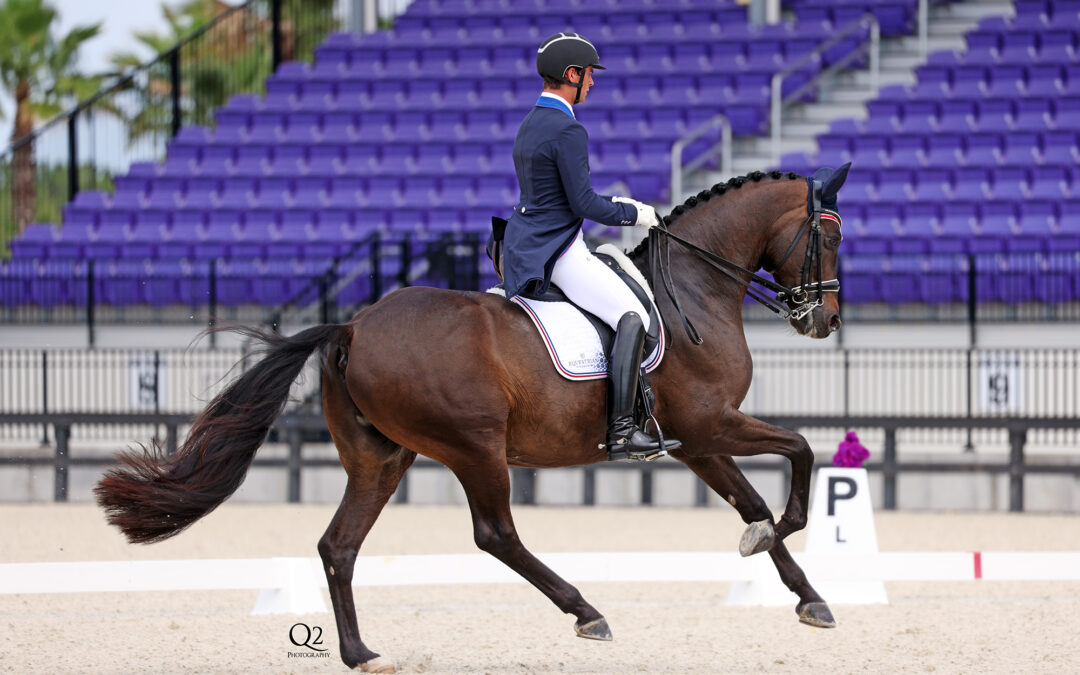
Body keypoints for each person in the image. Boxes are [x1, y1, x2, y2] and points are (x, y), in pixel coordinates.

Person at [501, 32, 680, 460]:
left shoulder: (530, 123)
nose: (593, 84)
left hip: (523, 242)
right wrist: (633, 213)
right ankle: (622, 433)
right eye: (588, 76)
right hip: (559, 250)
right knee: (632, 316)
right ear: (571, 75)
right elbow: (583, 203)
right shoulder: (567, 129)